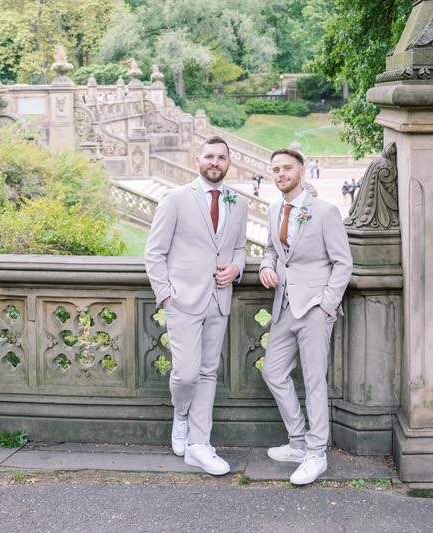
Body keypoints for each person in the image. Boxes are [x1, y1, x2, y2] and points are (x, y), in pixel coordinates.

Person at [145, 136, 249, 475]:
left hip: (219, 301)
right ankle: (181, 415)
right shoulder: (175, 199)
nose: (215, 162)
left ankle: (199, 444)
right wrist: (166, 296)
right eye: (209, 156)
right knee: (186, 373)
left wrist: (237, 269)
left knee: (208, 373)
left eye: (221, 157)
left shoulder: (238, 202)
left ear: (229, 162)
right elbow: (155, 252)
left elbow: (239, 248)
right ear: (197, 160)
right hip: (183, 301)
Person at [258, 148, 352, 485]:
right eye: (275, 169)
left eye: (286, 168)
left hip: (314, 308)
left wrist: (326, 305)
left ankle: (317, 454)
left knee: (314, 382)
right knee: (273, 372)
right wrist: (267, 266)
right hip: (284, 305)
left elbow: (343, 263)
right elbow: (271, 249)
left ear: (302, 170)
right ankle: (298, 441)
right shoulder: (274, 210)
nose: (280, 174)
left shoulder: (325, 212)